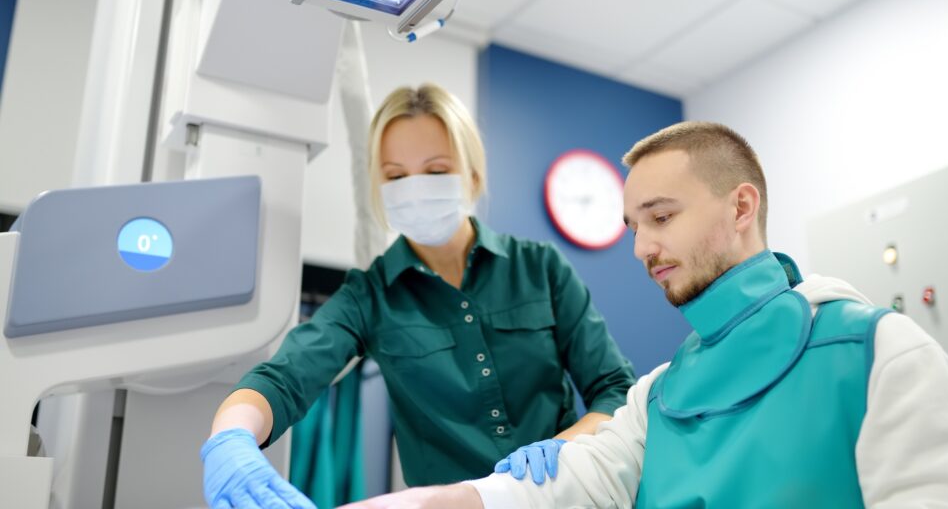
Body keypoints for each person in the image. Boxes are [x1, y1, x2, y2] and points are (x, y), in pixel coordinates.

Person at [338, 121, 948, 509]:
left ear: (741, 208)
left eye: (660, 218)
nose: (642, 247)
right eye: (632, 225)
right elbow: (566, 486)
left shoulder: (878, 352)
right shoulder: (658, 394)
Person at [199, 84, 636, 508]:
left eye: (436, 169)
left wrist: (562, 448)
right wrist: (230, 439)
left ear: (473, 173)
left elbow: (614, 389)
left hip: (557, 496)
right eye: (396, 176)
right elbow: (283, 378)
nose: (415, 187)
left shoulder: (539, 267)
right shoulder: (370, 295)